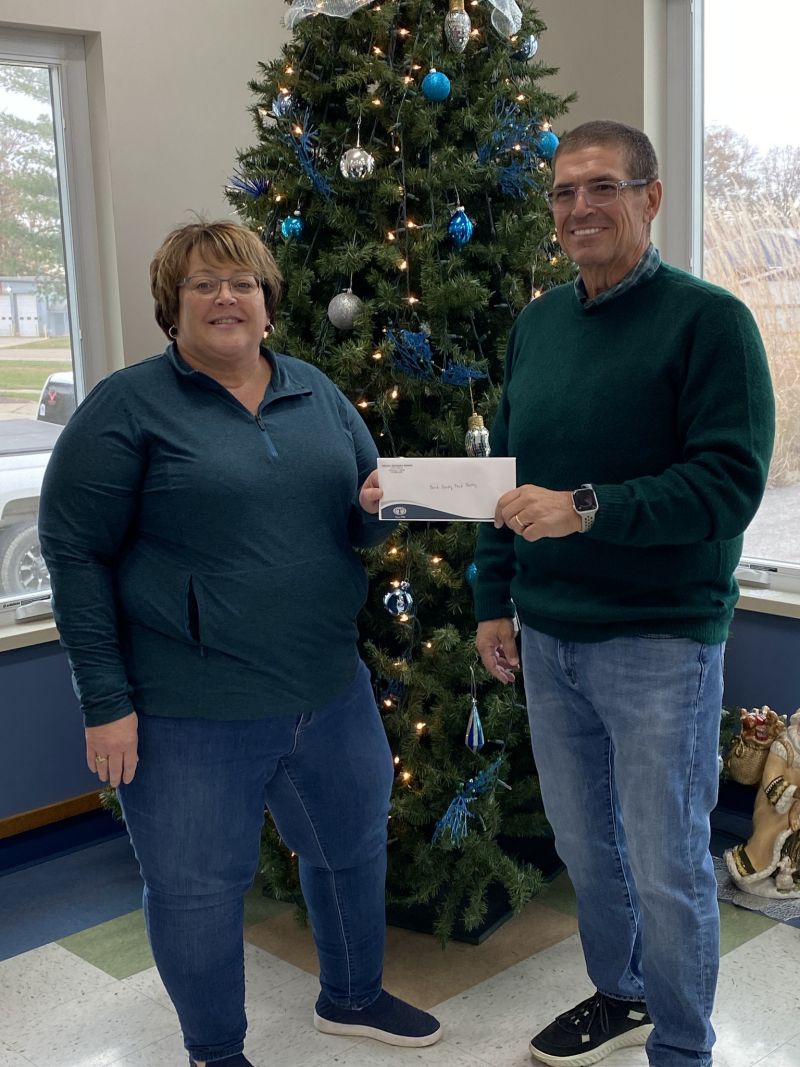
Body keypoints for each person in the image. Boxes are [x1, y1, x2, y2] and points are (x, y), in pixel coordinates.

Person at [38, 220, 441, 1067]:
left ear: (269, 304)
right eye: (204, 285)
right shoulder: (128, 406)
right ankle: (215, 1052)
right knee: (195, 892)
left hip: (328, 689)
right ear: (171, 308)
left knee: (353, 847)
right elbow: (75, 553)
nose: (227, 297)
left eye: (243, 283)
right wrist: (105, 704)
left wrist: (375, 510)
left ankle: (353, 995)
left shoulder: (318, 394)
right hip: (191, 708)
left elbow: (362, 522)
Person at [473, 121, 774, 1067]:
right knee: (587, 848)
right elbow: (506, 477)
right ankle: (623, 993)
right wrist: (493, 595)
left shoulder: (708, 321)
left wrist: (589, 509)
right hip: (549, 638)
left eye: (601, 187)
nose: (578, 209)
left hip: (660, 645)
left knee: (668, 862)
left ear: (649, 196)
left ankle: (683, 1048)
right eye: (563, 193)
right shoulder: (539, 324)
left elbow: (728, 484)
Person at [726, 708, 800, 896]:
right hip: (776, 807)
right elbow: (771, 778)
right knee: (770, 840)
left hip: (797, 806)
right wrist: (793, 794)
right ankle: (762, 867)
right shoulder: (784, 746)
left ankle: (792, 872)